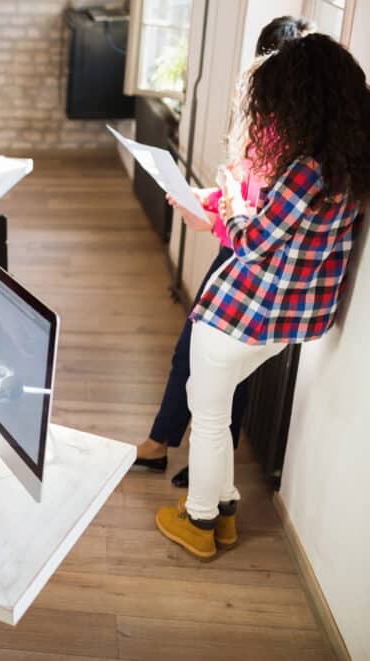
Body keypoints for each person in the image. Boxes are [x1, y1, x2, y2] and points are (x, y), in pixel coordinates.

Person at [158, 33, 369, 560]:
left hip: (241, 316)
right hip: (283, 325)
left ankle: (200, 521)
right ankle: (225, 510)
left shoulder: (306, 171)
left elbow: (252, 243)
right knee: (217, 411)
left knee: (207, 415)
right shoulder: (349, 171)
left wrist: (230, 201)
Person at [134, 15, 312, 488]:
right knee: (191, 354)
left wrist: (212, 216)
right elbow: (237, 191)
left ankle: (200, 463)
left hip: (250, 263)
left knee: (220, 367)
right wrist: (201, 198)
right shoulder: (264, 124)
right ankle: (163, 443)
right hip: (232, 252)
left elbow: (259, 227)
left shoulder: (297, 143)